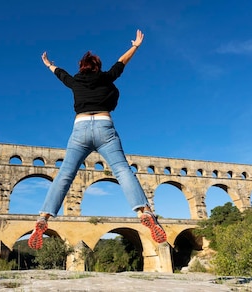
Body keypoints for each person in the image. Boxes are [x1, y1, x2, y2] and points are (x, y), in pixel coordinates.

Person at [28, 29, 167, 250]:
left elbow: (60, 73)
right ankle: (144, 211)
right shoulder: (105, 77)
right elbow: (121, 63)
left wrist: (48, 64)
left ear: (82, 67)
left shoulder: (75, 81)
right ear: (97, 67)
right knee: (122, 170)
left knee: (65, 173)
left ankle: (44, 217)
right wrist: (136, 46)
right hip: (105, 126)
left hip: (80, 128)